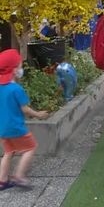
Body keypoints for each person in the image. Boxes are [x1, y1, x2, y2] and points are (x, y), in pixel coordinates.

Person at [0, 49, 49, 191]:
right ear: (15, 71)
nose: (22, 69)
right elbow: (25, 109)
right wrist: (39, 115)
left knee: (9, 152)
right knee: (30, 148)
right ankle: (19, 176)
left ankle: (2, 180)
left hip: (2, 128)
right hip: (16, 128)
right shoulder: (16, 89)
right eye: (20, 66)